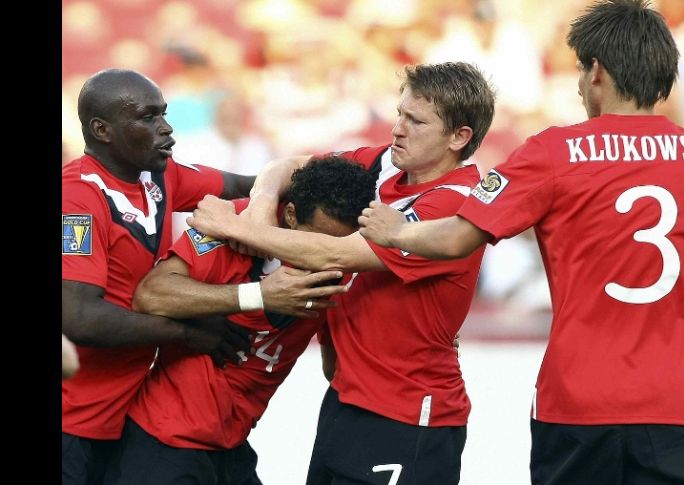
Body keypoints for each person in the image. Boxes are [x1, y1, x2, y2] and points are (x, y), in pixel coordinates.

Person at [358, 2, 684, 484]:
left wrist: (396, 230)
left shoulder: (554, 150)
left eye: (581, 72)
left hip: (581, 400)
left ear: (598, 72)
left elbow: (458, 236)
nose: (581, 85)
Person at [187, 61, 496, 484]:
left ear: (459, 137)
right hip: (347, 400)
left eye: (416, 121)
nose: (398, 129)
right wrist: (260, 208)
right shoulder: (384, 165)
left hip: (408, 416)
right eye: (400, 114)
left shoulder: (454, 204)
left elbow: (336, 254)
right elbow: (287, 166)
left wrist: (232, 226)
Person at [61, 68, 347, 485]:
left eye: (164, 113)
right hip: (71, 417)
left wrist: (262, 207)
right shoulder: (77, 200)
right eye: (147, 118)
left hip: (119, 411)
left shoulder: (160, 176)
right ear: (102, 130)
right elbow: (78, 318)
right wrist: (187, 332)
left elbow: (261, 180)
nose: (166, 128)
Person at [102, 156, 375, 484]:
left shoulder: (344, 261)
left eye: (334, 247)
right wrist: (258, 295)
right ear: (289, 215)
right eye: (315, 240)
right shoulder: (230, 227)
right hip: (167, 441)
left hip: (231, 445)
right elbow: (150, 294)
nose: (322, 256)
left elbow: (334, 367)